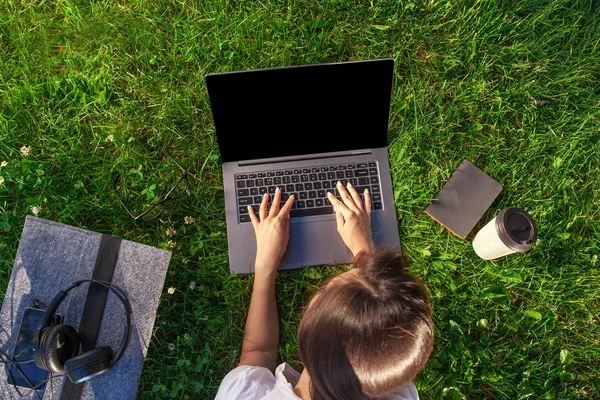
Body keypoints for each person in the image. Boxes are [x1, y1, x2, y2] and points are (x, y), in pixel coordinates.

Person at [215, 182, 434, 400]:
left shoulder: (240, 395)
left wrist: (264, 264)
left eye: (326, 289)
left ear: (306, 335)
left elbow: (257, 353)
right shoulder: (401, 394)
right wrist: (364, 251)